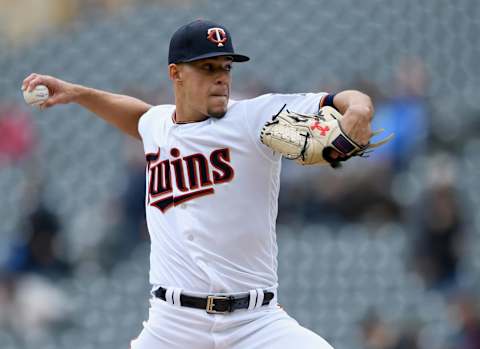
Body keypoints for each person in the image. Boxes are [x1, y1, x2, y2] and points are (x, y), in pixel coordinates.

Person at [22, 19, 375, 349]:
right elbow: (138, 116)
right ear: (175, 73)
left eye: (226, 67)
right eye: (208, 67)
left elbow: (337, 99)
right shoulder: (157, 125)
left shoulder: (254, 118)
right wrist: (75, 93)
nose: (221, 77)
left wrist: (359, 108)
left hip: (255, 324)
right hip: (171, 326)